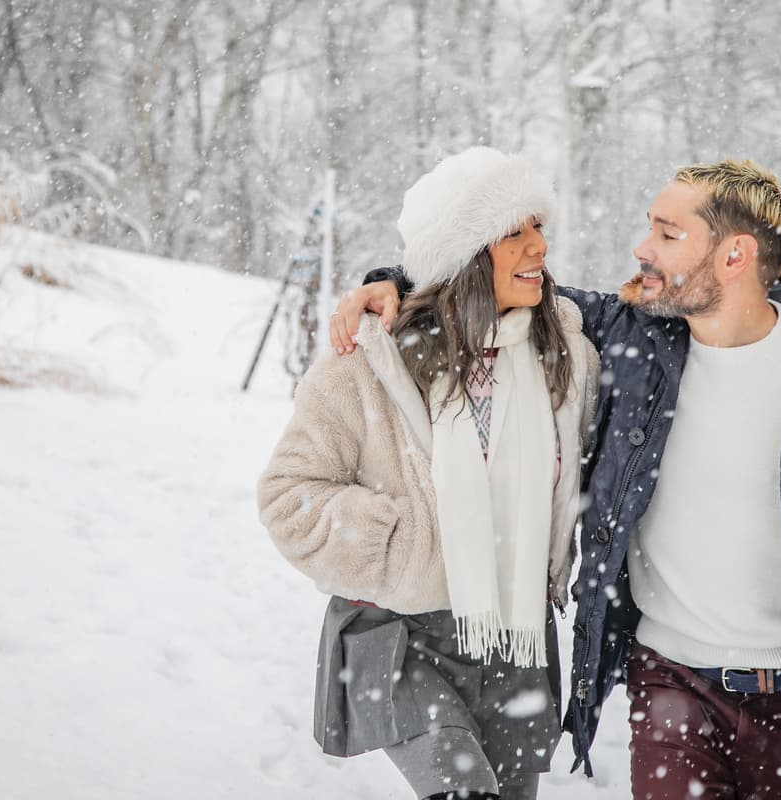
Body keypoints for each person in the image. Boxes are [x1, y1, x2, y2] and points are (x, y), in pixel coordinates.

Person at [330, 160, 781, 800]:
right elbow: (497, 286)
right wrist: (397, 282)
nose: (643, 249)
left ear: (734, 256)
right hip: (672, 691)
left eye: (668, 234)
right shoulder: (634, 342)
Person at [257, 146, 599, 800]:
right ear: (466, 252)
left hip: (517, 635)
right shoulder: (368, 364)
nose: (539, 245)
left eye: (539, 227)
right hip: (402, 639)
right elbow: (286, 498)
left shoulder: (568, 356)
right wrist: (402, 543)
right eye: (515, 232)